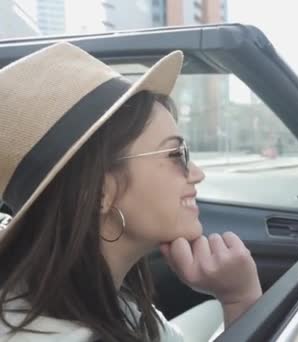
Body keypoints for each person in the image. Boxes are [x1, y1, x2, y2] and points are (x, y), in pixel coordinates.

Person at [0, 43, 261, 341]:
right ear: (100, 191)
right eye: (176, 155)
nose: (197, 173)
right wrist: (240, 299)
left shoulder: (105, 299)